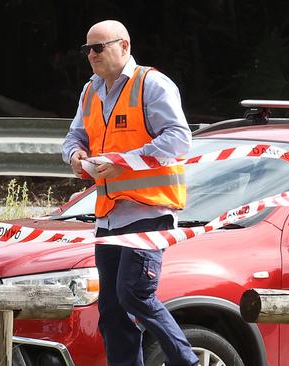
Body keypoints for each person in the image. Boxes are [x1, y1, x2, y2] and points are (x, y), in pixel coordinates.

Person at [62, 20, 199, 366]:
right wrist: (76, 156)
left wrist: (124, 163)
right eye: (86, 49)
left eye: (98, 47)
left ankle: (188, 361)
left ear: (124, 46)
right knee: (111, 309)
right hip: (108, 217)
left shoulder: (151, 84)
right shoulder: (90, 90)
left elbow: (179, 139)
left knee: (134, 295)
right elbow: (74, 136)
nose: (90, 55)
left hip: (149, 212)